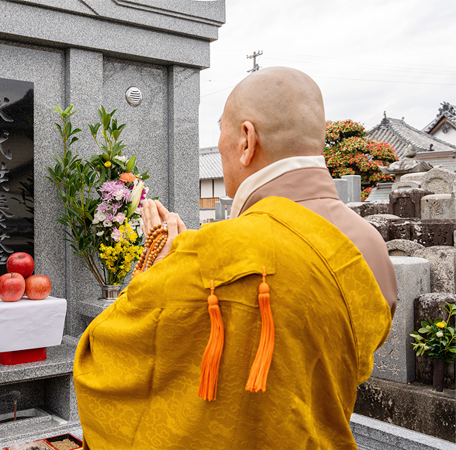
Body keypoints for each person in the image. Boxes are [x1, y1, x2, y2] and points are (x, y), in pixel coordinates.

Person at [73, 67, 396, 449]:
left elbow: (103, 358)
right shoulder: (371, 243)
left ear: (246, 139)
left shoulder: (211, 251)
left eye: (221, 135)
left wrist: (156, 271)